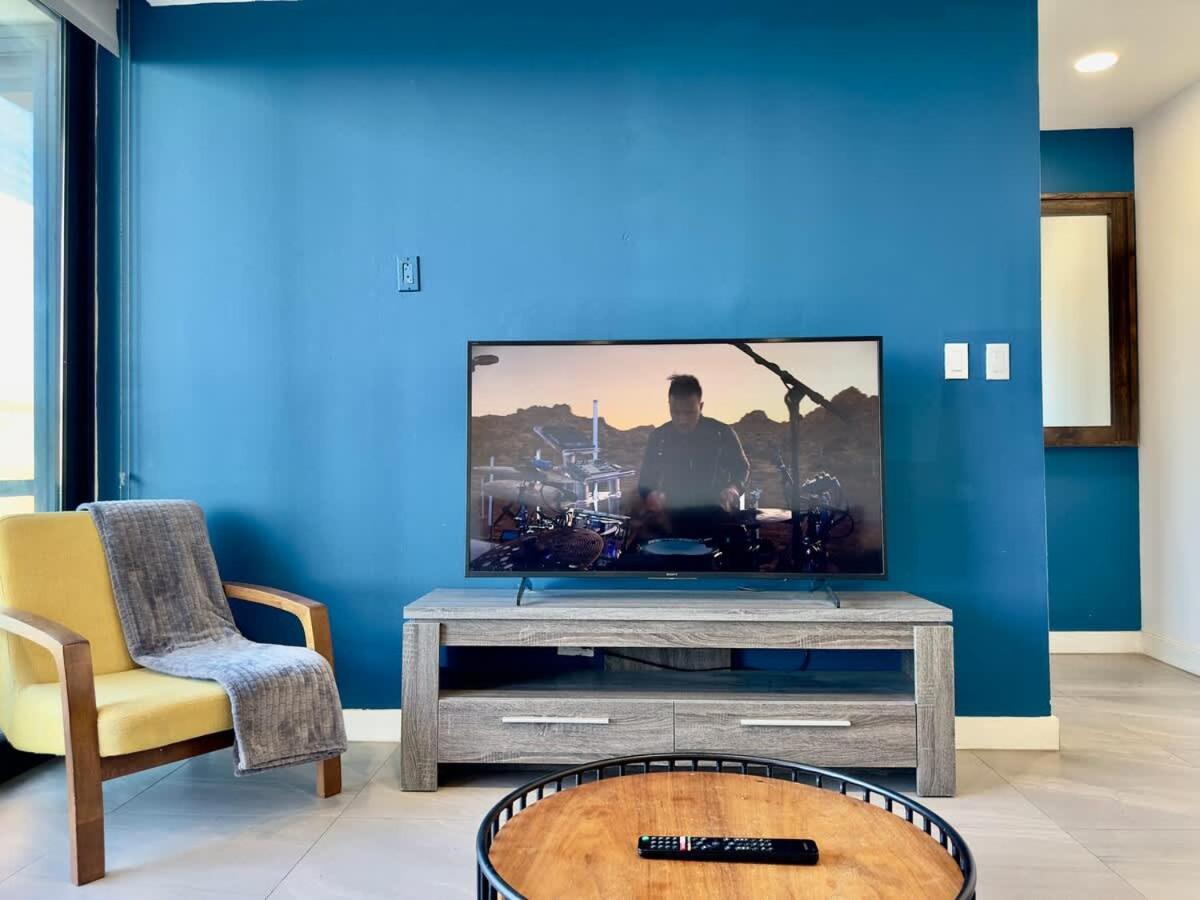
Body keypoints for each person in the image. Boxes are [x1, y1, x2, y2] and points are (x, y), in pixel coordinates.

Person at [637, 374, 751, 538]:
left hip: (717, 519)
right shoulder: (658, 437)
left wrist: (734, 488)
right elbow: (645, 480)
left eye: (689, 413)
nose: (682, 420)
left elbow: (742, 468)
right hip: (672, 522)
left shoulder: (722, 433)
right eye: (675, 412)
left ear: (701, 406)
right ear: (669, 405)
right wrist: (651, 494)